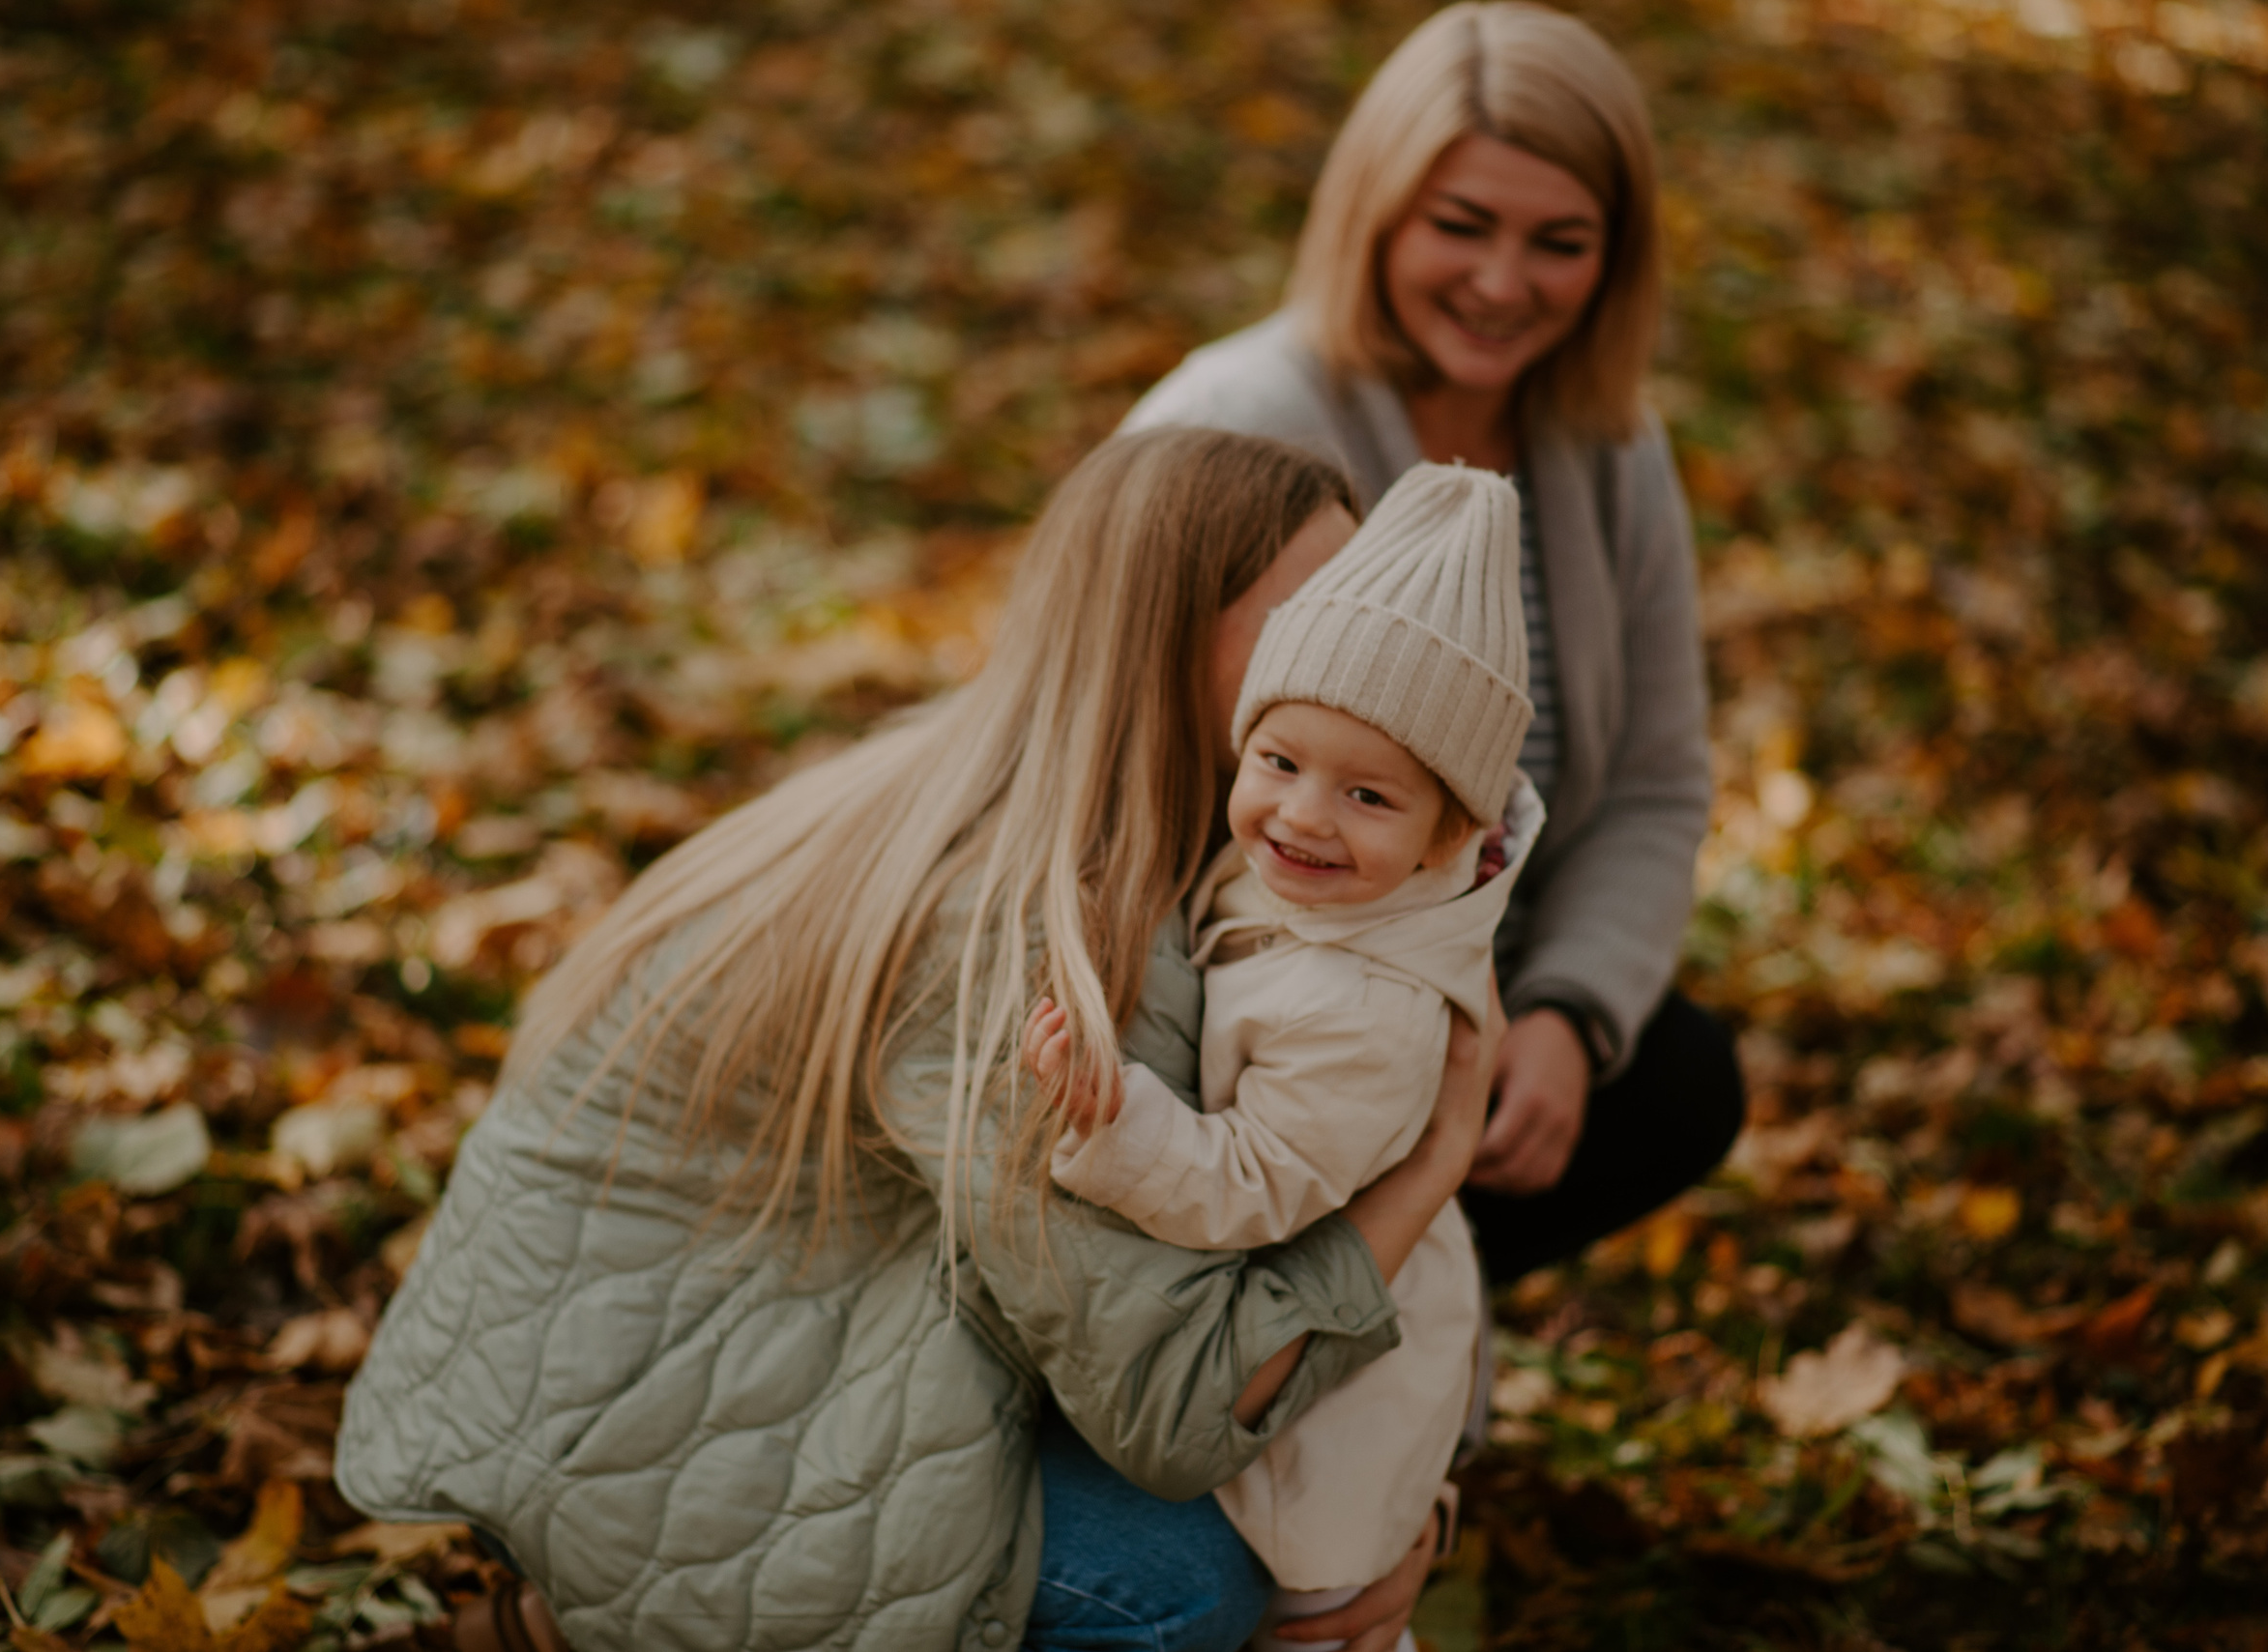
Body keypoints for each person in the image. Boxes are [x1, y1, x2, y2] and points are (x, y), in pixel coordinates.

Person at [333, 428, 1497, 1652]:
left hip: (760, 1334)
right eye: (1308, 618)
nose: (1353, 655)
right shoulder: (1031, 933)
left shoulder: (1173, 835)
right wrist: (1434, 1161)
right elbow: (1178, 1406)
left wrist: (1388, 1504)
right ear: (1154, 635)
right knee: (1179, 1580)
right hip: (659, 1425)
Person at [1121, 1, 1744, 1282]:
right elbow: (1092, 762)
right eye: (1460, 225)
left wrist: (1568, 1016)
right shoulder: (1234, 422)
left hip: (1479, 988)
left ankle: (1410, 1316)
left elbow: (1653, 785)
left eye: (1559, 242)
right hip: (1258, 995)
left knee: (1679, 1077)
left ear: (1615, 260)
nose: (1503, 282)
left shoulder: (1613, 455)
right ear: (1376, 215)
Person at [1026, 464, 1544, 1652]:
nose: (1304, 815)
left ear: (1450, 835)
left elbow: (1254, 1184)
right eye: (1278, 761)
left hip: (1328, 1385)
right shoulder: (1308, 882)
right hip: (1302, 1316)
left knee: (1321, 1616)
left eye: (1367, 794)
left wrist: (1117, 1125)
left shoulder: (1367, 1008)